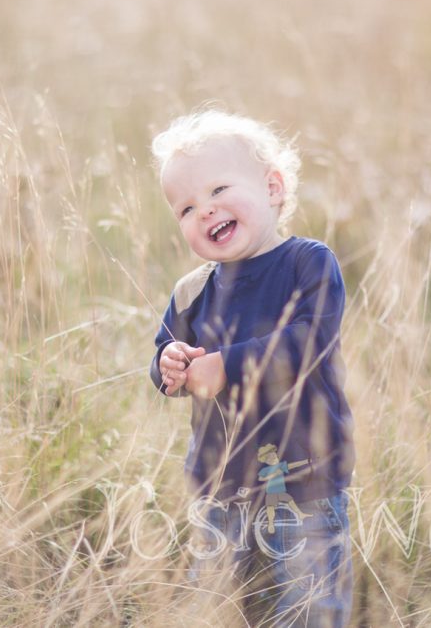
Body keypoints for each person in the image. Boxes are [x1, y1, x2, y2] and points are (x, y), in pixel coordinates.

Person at [149, 110, 356, 627]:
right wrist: (169, 366)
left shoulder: (306, 263)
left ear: (273, 187)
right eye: (186, 207)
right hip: (221, 483)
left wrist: (227, 366)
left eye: (220, 188)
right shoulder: (193, 292)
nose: (206, 210)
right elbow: (168, 363)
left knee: (309, 601)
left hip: (304, 477)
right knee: (215, 597)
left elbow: (309, 341)